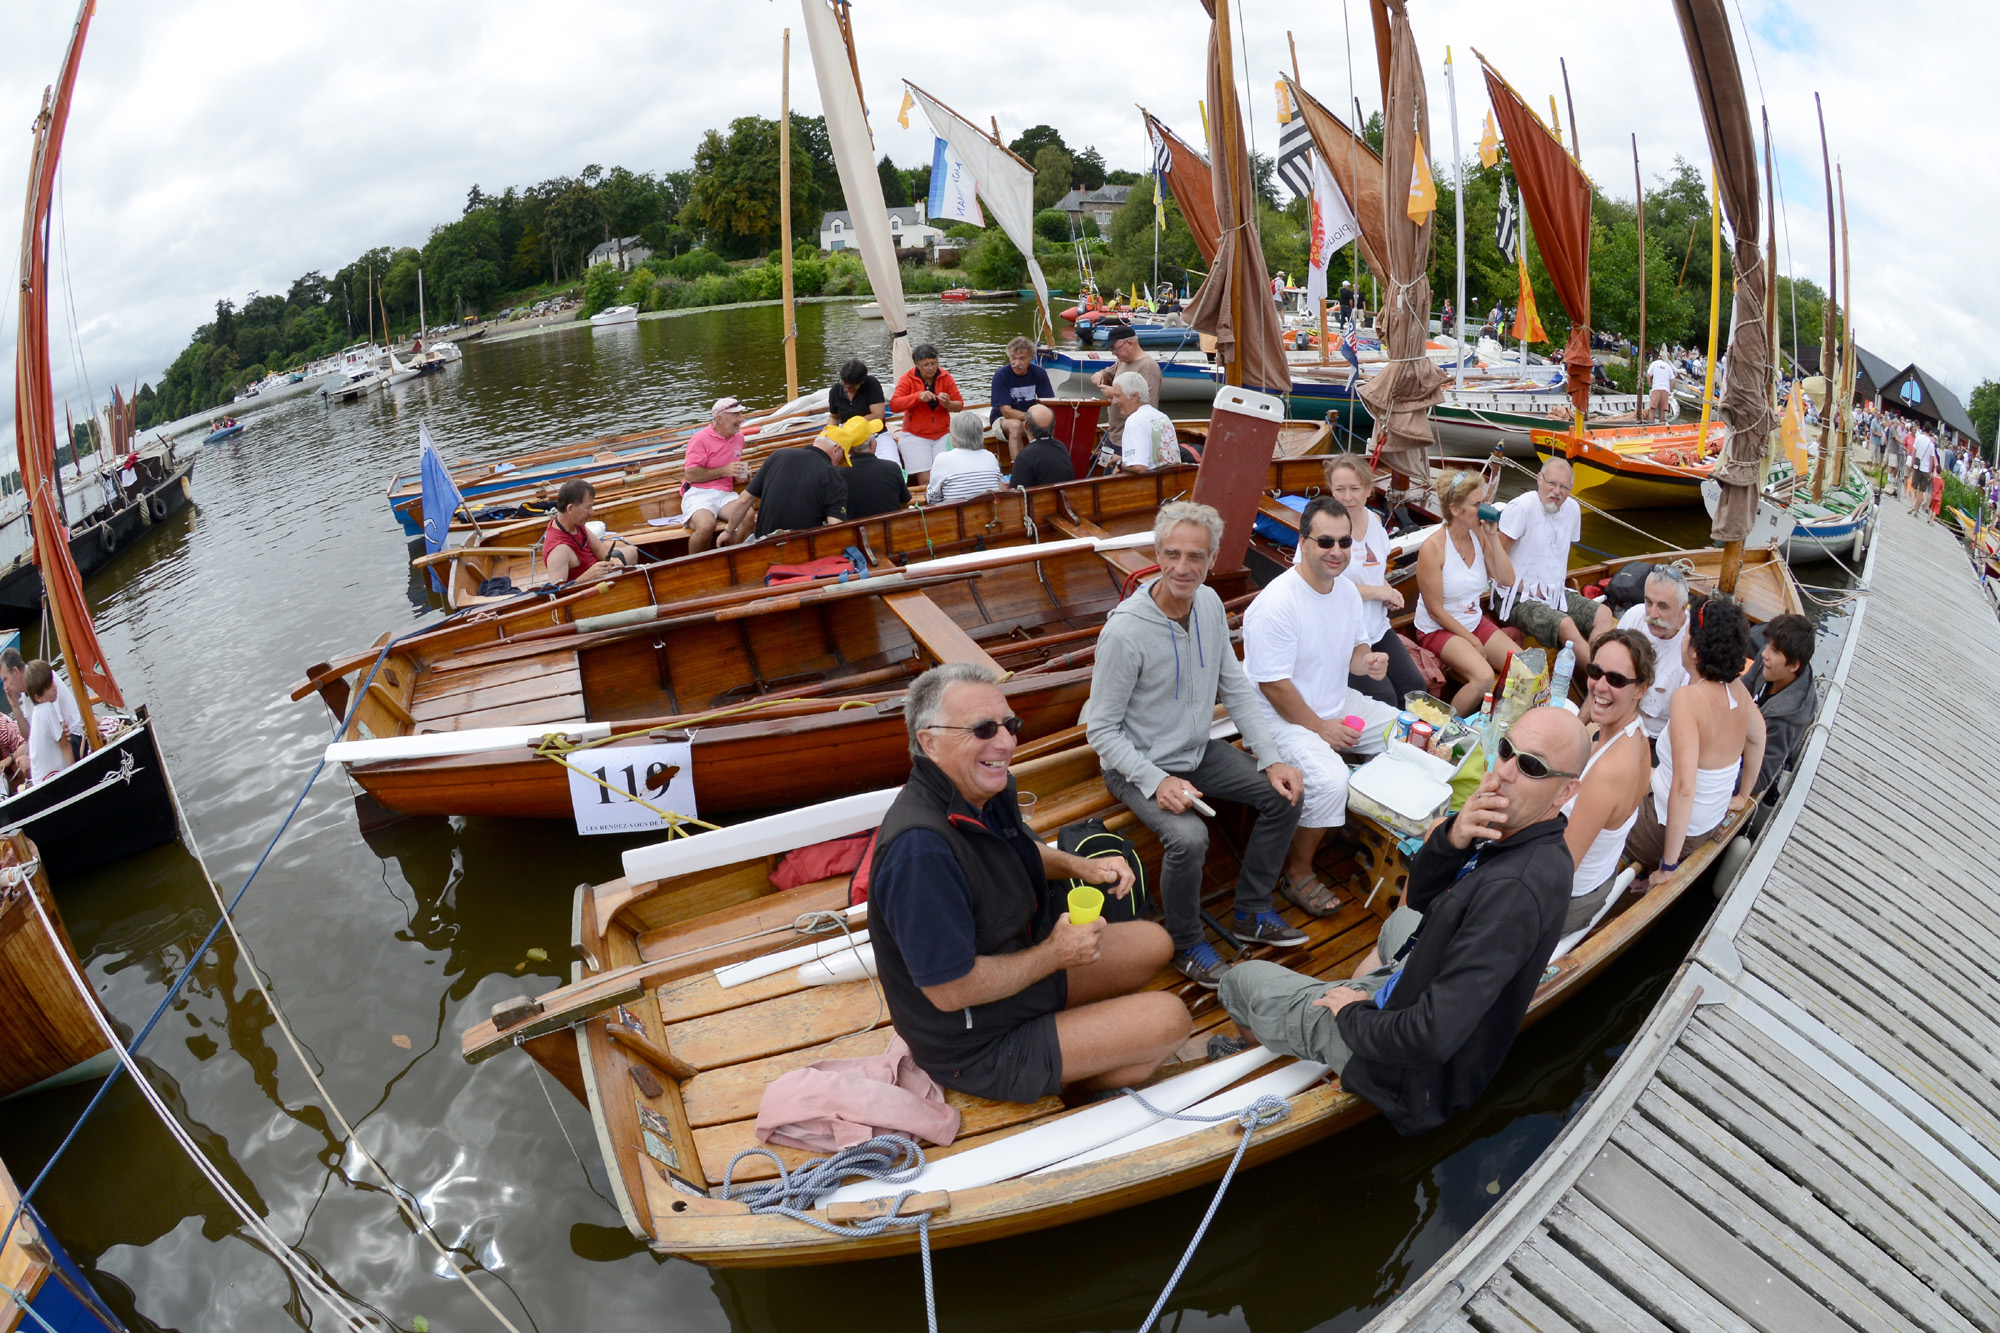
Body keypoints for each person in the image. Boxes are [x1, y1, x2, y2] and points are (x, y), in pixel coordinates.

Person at [1217, 706, 1587, 1136]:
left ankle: (1262, 1069)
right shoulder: (1523, 838)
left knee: (1241, 982)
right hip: (1423, 998)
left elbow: (1430, 1037)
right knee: (1399, 925)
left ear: (1565, 792)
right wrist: (1452, 839)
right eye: (1505, 749)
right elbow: (1427, 898)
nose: (1503, 771)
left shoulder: (1514, 892)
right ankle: (1327, 1018)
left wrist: (1353, 1013)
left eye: (1530, 766)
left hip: (1404, 1075)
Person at [866, 663, 1191, 1103]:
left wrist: (1083, 867)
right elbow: (949, 991)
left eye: (1010, 724)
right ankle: (1069, 1084)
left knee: (1154, 942)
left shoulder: (981, 790)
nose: (1006, 742)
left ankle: (1079, 1041)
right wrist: (1055, 954)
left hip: (1015, 976)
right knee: (1169, 1022)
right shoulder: (920, 853)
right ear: (930, 741)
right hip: (972, 1040)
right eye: (983, 730)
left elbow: (1015, 848)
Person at [1087, 501, 1307, 988]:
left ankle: (1251, 911)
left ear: (1211, 561)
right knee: (1189, 839)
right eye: (1172, 554)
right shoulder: (1125, 632)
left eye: (1195, 557)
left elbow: (1234, 686)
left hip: (1194, 751)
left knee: (1285, 794)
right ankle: (1186, 943)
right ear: (1157, 554)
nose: (1183, 568)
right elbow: (1100, 730)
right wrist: (1155, 779)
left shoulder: (1207, 603)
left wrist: (1271, 758)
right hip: (1136, 764)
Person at [1243, 498, 1403, 915]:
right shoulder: (1278, 603)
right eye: (1326, 541)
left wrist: (1368, 661)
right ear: (1304, 542)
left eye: (1345, 541)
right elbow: (1273, 686)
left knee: (1403, 734)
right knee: (1331, 779)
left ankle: (1355, 821)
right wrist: (1321, 727)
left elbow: (1355, 647)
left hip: (1332, 700)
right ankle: (1297, 873)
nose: (1337, 551)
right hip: (1279, 717)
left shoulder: (1347, 591)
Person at [1627, 597, 1765, 878]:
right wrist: (1743, 794)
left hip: (1665, 831)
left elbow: (1685, 788)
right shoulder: (1737, 690)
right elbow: (1758, 738)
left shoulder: (1688, 700)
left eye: (1687, 632)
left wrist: (1668, 867)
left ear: (1694, 651)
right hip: (1706, 823)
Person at [1559, 628, 1655, 935]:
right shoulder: (1638, 738)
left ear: (1640, 689)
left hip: (1566, 901)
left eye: (1615, 680)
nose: (1599, 686)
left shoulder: (1609, 771)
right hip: (1596, 881)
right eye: (1596, 672)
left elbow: (1560, 869)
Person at [1325, 455, 1426, 709]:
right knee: (1385, 698)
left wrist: (1388, 591)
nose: (1347, 497)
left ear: (1369, 490)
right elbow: (1326, 588)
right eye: (1340, 489)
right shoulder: (1324, 531)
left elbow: (1376, 571)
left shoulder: (1374, 522)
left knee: (1415, 687)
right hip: (1343, 636)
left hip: (1376, 627)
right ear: (1331, 490)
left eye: (1355, 489)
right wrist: (1379, 592)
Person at [1496, 458, 1615, 673]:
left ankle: (1599, 664)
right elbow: (1494, 557)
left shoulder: (1572, 510)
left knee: (1604, 615)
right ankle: (1600, 676)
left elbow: (1556, 556)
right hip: (1514, 597)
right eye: (1551, 483)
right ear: (1539, 479)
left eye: (1564, 487)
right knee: (1565, 624)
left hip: (1554, 593)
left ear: (1570, 489)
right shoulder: (1522, 508)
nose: (1556, 491)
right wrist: (1520, 585)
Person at [1412, 470, 1516, 716]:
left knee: (1522, 668)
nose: (1484, 509)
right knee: (1483, 677)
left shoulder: (1479, 534)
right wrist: (1472, 640)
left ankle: (1507, 723)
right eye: (1477, 504)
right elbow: (1435, 610)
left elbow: (1506, 578)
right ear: (1456, 510)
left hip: (1472, 620)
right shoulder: (1433, 548)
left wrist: (1492, 536)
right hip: (1437, 628)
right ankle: (1445, 733)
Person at [1608, 565, 1691, 744]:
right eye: (1648, 602)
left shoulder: (1691, 645)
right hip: (1617, 721)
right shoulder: (1634, 616)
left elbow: (1684, 722)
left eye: (1663, 606)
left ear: (1683, 608)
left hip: (1658, 740)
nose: (1652, 614)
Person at [1743, 612, 1814, 797]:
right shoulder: (1766, 659)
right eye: (1769, 645)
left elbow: (1761, 778)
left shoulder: (1785, 720)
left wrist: (1709, 774)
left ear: (1794, 666)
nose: (1764, 653)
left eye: (1775, 651)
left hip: (1748, 762)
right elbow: (1742, 690)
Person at [728, 433, 850, 541]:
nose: (839, 465)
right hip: (802, 548)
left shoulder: (778, 455)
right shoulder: (834, 477)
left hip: (763, 543)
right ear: (836, 450)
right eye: (842, 459)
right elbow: (835, 528)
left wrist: (728, 531)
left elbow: (744, 500)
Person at [681, 397, 751, 553]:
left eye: (741, 414)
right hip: (699, 493)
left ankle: (731, 557)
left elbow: (732, 470)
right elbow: (691, 475)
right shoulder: (700, 439)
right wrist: (725, 471)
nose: (741, 419)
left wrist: (741, 475)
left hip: (725, 493)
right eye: (736, 415)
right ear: (719, 419)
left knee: (747, 516)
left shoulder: (739, 438)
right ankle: (696, 567)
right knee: (706, 526)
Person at [888, 343, 963, 491]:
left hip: (941, 434)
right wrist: (917, 397)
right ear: (917, 365)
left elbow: (959, 405)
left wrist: (948, 403)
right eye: (926, 364)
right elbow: (895, 405)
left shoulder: (945, 377)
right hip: (915, 435)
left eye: (934, 363)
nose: (931, 367)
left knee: (945, 475)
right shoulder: (908, 379)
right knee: (926, 479)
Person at [540, 479, 637, 583]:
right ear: (570, 508)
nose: (592, 511)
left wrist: (612, 559)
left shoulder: (575, 523)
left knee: (633, 552)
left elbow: (600, 549)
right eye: (588, 507)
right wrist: (587, 577)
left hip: (600, 574)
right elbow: (557, 594)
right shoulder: (559, 550)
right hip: (589, 589)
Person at [1088, 326, 1162, 440]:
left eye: (1115, 349)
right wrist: (1101, 374)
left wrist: (1115, 394)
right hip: (1116, 436)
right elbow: (1108, 373)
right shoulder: (1122, 362)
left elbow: (1147, 408)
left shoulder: (1148, 367)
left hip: (1132, 438)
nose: (1113, 353)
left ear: (1130, 343)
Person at [990, 336, 1056, 458]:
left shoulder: (1039, 373)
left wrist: (1037, 419)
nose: (1016, 363)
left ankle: (1044, 467)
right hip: (1002, 419)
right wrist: (1033, 418)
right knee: (1016, 425)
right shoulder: (1000, 376)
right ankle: (1018, 470)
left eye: (1022, 359)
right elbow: (1006, 412)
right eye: (1013, 358)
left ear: (1031, 358)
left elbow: (1048, 404)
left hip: (1029, 418)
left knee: (1051, 426)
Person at [926, 412, 1006, 505]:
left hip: (954, 515)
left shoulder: (942, 459)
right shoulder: (990, 456)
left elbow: (933, 498)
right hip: (990, 515)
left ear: (954, 438)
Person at [1109, 371, 1175, 473]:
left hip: (1148, 486)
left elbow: (1139, 467)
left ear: (1134, 396)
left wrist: (1119, 465)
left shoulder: (1135, 421)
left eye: (1117, 396)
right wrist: (1122, 459)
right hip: (1170, 481)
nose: (1114, 401)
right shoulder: (1162, 417)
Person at [23, 660, 75, 786]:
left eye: (52, 681)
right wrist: (76, 774)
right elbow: (65, 746)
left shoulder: (38, 712)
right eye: (49, 686)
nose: (55, 686)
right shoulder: (47, 709)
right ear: (37, 697)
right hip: (48, 781)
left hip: (39, 780)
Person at [843, 430, 911, 520]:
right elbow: (904, 502)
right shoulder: (892, 468)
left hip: (855, 531)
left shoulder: (837, 474)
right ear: (872, 444)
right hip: (892, 528)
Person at [1007, 404, 1076, 489]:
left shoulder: (1024, 456)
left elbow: (1016, 495)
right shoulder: (1062, 447)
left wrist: (1004, 489)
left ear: (1026, 426)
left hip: (1041, 501)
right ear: (1054, 425)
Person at [827, 358, 887, 431]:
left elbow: (878, 415)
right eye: (844, 385)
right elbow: (834, 417)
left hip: (874, 432)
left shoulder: (871, 384)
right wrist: (829, 431)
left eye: (852, 388)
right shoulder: (835, 390)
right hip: (847, 434)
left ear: (862, 382)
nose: (847, 389)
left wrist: (851, 425)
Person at [1910, 426, 1937, 519]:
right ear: (1930, 432)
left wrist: (1912, 462)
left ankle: (1913, 503)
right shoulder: (1931, 444)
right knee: (1921, 491)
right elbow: (1931, 459)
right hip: (1925, 470)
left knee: (1913, 487)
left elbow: (1914, 451)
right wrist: (1930, 472)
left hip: (1918, 466)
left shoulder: (1919, 438)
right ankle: (1917, 511)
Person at [1646, 349, 1675, 423]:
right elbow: (1674, 380)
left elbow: (1648, 376)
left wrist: (1650, 387)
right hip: (1665, 390)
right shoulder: (1668, 366)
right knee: (1662, 411)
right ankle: (1661, 427)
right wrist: (1670, 390)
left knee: (1652, 410)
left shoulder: (1654, 364)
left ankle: (1650, 426)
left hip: (1656, 388)